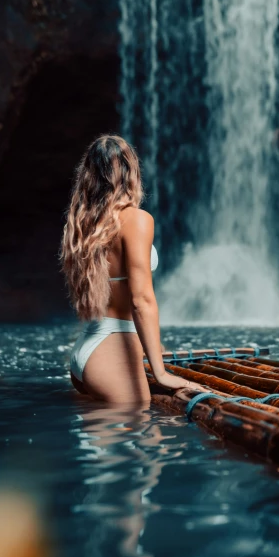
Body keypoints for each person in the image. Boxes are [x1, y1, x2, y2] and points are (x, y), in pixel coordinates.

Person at [60, 134, 204, 404]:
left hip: (90, 347)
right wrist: (160, 373)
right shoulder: (136, 220)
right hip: (112, 349)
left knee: (103, 441)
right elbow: (141, 300)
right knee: (142, 434)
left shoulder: (82, 226)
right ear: (131, 171)